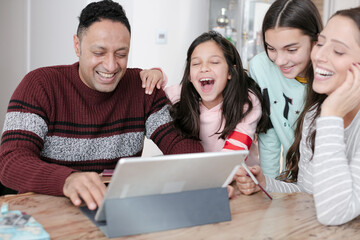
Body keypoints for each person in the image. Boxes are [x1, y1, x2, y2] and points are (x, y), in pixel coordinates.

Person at [0, 0, 203, 209]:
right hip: (46, 214)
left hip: (113, 213)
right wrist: (67, 180)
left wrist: (206, 179)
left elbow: (182, 145)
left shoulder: (143, 89)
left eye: (121, 54)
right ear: (77, 46)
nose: (111, 65)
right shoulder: (40, 85)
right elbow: (11, 161)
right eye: (99, 52)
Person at [236, 7, 360, 226]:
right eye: (321, 43)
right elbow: (308, 191)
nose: (318, 55)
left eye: (338, 51)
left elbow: (334, 212)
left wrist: (331, 115)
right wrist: (266, 183)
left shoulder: (326, 113)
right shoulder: (314, 113)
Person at [144, 31, 268, 157]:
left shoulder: (246, 101)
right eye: (196, 64)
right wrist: (157, 74)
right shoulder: (180, 95)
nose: (204, 68)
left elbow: (234, 154)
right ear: (189, 76)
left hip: (237, 172)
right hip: (199, 172)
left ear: (231, 72)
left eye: (214, 62)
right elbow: (152, 97)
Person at [249, 0, 323, 178]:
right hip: (292, 182)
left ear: (316, 41)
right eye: (271, 48)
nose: (279, 61)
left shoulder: (330, 76)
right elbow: (268, 133)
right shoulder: (260, 67)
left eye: (291, 49)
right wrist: (269, 188)